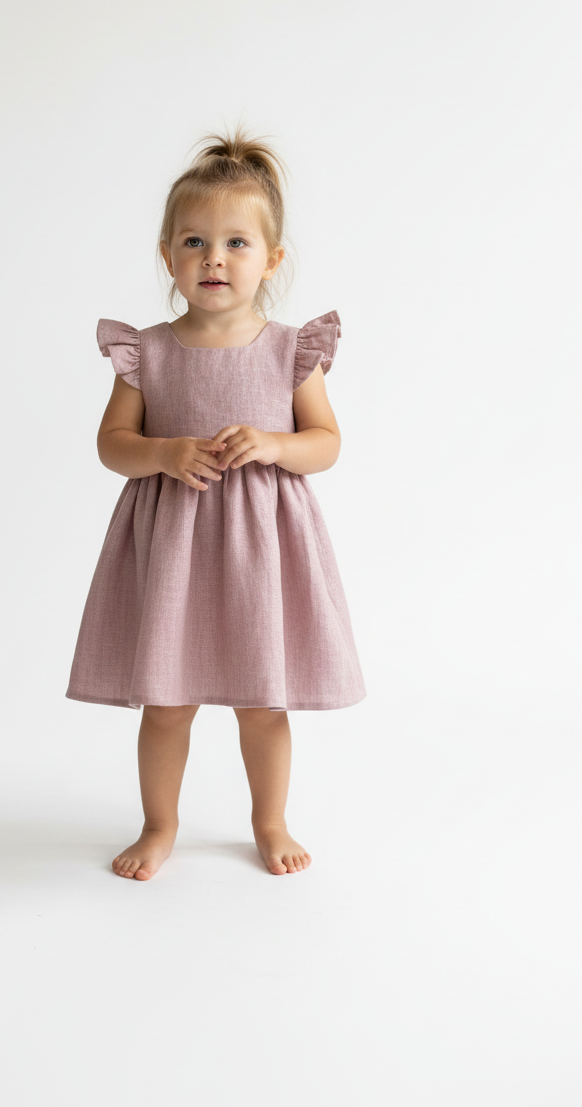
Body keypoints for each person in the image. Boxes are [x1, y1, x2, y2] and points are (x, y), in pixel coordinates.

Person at [65, 126, 367, 880]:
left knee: (263, 704)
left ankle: (270, 821)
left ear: (272, 260)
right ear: (168, 256)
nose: (214, 259)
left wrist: (274, 443)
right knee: (167, 704)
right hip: (175, 551)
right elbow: (112, 444)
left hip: (261, 549)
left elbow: (326, 442)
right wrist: (164, 452)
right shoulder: (149, 352)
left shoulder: (290, 350)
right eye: (195, 242)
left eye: (237, 243)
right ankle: (159, 825)